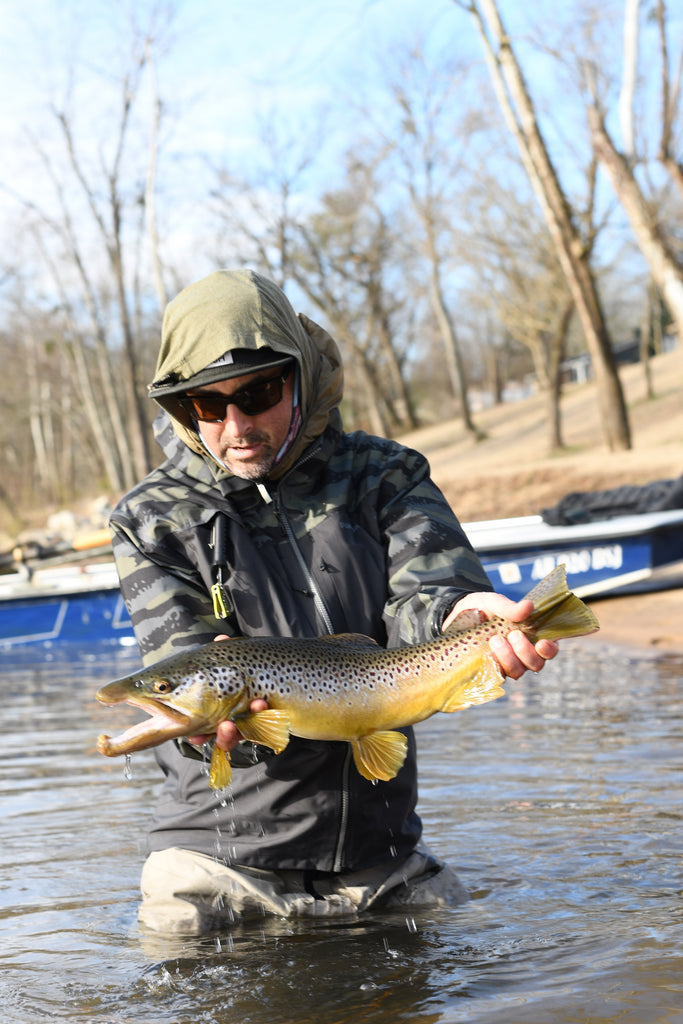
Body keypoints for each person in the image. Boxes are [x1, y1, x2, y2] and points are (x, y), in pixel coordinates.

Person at [110, 269, 557, 934]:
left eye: (258, 392)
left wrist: (463, 619)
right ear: (182, 407)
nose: (237, 426)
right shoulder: (151, 518)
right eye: (208, 405)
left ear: (299, 377)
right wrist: (213, 731)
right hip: (218, 866)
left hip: (382, 860)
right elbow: (185, 664)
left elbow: (428, 594)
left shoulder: (385, 476)